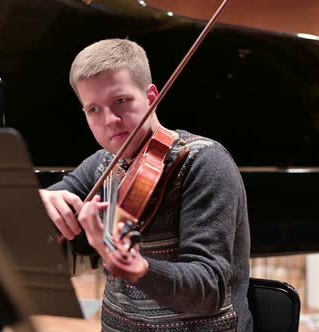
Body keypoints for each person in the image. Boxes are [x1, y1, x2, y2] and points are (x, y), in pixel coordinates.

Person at [39, 38, 252, 331]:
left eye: (120, 101)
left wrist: (139, 269)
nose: (110, 120)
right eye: (94, 110)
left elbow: (207, 291)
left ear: (151, 96)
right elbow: (51, 200)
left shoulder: (203, 163)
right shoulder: (104, 163)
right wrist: (39, 199)